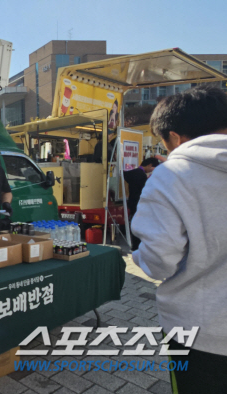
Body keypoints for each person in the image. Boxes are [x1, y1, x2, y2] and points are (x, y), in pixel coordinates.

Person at [131, 86, 227, 394]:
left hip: (201, 333)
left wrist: (137, 258)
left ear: (174, 137)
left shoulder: (172, 174)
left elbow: (159, 262)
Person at [122, 157, 160, 251]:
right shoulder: (142, 176)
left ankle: (134, 245)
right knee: (140, 225)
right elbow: (145, 190)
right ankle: (137, 246)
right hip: (140, 203)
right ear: (149, 165)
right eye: (152, 168)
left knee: (134, 223)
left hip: (132, 202)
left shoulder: (131, 173)